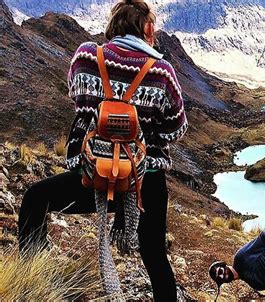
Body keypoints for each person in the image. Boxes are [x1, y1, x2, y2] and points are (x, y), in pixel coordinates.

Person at [17, 0, 187, 300]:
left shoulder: (86, 56)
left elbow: (77, 99)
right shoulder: (162, 71)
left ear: (114, 24)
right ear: (147, 28)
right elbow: (176, 128)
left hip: (92, 173)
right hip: (142, 181)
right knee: (155, 256)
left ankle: (34, 280)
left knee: (35, 199)